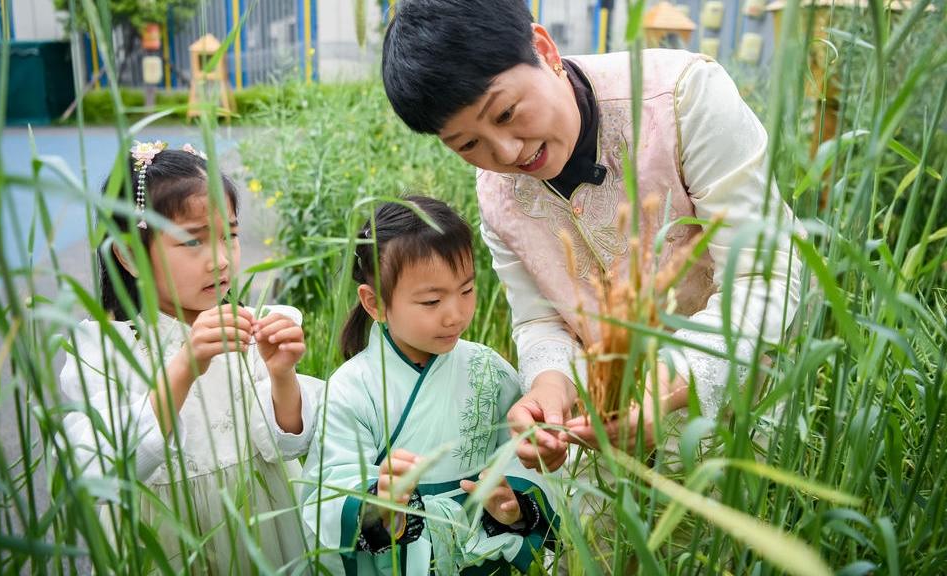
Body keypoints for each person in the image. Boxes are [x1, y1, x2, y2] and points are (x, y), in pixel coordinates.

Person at [381, 0, 804, 470]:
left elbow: (764, 277)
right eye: (467, 145)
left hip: (732, 415)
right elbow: (541, 321)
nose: (506, 152)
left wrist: (669, 380)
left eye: (505, 114)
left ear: (544, 50)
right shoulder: (497, 195)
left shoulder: (684, 98)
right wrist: (548, 390)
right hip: (602, 435)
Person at [59, 141, 321, 573]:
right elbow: (105, 470)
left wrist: (282, 377)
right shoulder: (103, 349)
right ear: (128, 255)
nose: (220, 260)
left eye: (230, 236)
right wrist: (183, 367)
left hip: (259, 526)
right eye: (191, 241)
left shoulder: (252, 327)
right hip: (161, 539)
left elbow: (288, 445)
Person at [301, 196, 556, 575]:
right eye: (432, 300)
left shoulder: (489, 369)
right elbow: (330, 489)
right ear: (375, 303)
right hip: (399, 557)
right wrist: (382, 505)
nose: (455, 314)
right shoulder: (352, 388)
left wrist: (513, 506)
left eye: (467, 291)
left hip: (483, 552)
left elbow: (528, 459)